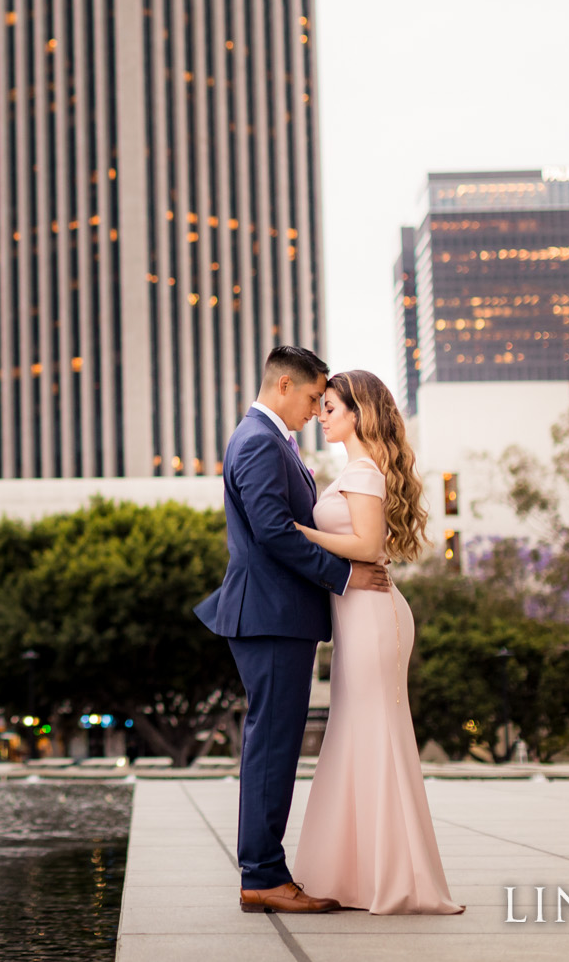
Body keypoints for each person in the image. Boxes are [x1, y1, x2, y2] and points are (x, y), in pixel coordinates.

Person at [195, 347, 392, 915]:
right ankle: (262, 876)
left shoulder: (268, 439)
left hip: (276, 614)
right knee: (273, 746)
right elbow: (276, 533)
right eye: (312, 399)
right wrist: (346, 575)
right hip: (270, 614)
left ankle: (265, 871)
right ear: (284, 386)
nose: (315, 410)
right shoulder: (258, 440)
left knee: (274, 743)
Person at [289, 370, 463, 914]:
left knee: (375, 732)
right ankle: (360, 876)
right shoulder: (355, 470)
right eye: (321, 406)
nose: (322, 413)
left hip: (372, 615)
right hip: (357, 613)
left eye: (333, 406)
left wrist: (298, 532)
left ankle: (395, 877)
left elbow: (365, 544)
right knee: (355, 732)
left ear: (359, 413)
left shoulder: (363, 472)